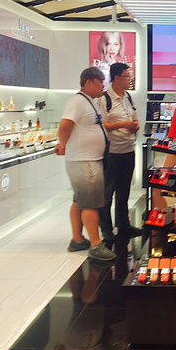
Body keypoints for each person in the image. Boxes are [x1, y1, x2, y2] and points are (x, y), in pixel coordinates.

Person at [55, 67, 116, 261]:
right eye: (100, 82)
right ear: (89, 82)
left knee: (79, 201)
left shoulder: (89, 101)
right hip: (84, 161)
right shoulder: (77, 101)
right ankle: (96, 245)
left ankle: (77, 239)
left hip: (88, 159)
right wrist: (62, 144)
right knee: (91, 204)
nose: (103, 86)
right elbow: (65, 126)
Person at [98, 63, 141, 241]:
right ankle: (106, 230)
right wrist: (123, 124)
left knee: (124, 192)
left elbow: (134, 118)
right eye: (127, 76)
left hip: (128, 150)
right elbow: (101, 125)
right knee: (107, 194)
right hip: (112, 153)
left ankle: (123, 225)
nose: (130, 79)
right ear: (116, 78)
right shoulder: (104, 99)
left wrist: (135, 126)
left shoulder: (128, 97)